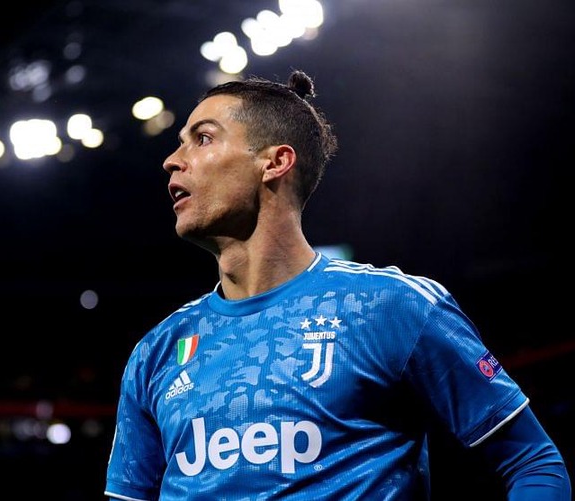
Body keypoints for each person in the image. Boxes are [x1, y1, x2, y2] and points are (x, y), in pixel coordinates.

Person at [104, 69, 571, 500]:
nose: (171, 161)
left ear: (275, 162)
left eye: (202, 138)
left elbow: (534, 463)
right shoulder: (157, 350)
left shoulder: (391, 308)